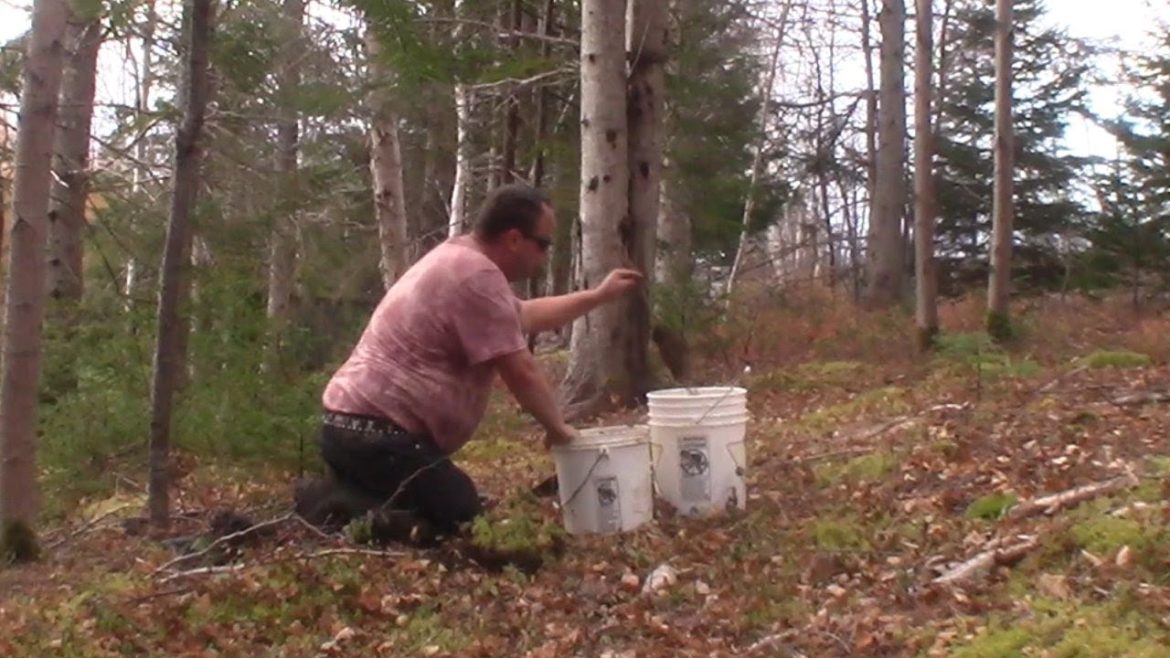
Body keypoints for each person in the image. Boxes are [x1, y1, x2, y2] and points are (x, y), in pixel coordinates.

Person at [298, 183, 642, 539]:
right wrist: (558, 430)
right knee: (462, 519)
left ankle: (351, 499)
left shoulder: (460, 258)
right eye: (543, 244)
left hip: (350, 429)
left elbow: (524, 315)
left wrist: (600, 296)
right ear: (513, 239)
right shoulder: (476, 275)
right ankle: (329, 506)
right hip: (379, 435)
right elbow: (519, 369)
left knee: (441, 505)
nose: (544, 255)